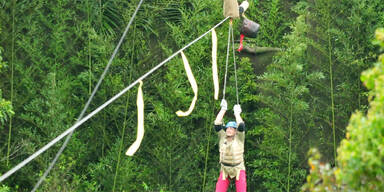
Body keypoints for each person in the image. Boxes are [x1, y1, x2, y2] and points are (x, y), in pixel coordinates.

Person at [214, 99, 246, 192]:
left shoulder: (239, 138)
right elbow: (217, 124)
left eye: (232, 129)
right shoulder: (222, 136)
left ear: (235, 131)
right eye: (228, 128)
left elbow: (241, 126)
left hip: (238, 168)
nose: (229, 130)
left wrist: (237, 114)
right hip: (225, 169)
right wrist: (223, 109)